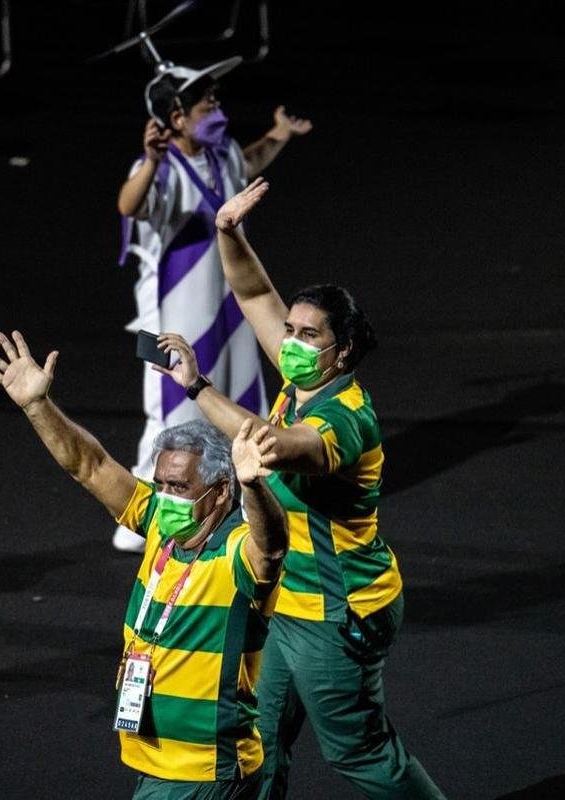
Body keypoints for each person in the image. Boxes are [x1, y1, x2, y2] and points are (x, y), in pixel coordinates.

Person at [149, 179, 447, 798]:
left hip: (337, 613)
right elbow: (253, 290)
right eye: (291, 330)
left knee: (361, 753)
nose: (291, 341)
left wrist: (199, 388)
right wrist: (228, 231)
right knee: (256, 739)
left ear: (341, 354)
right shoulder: (299, 385)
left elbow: (272, 446)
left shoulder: (345, 417)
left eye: (309, 336)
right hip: (285, 603)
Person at [0, 329, 290, 799]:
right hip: (156, 761)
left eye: (179, 488)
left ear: (221, 491)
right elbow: (91, 465)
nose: (164, 498)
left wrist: (255, 487)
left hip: (202, 773)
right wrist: (37, 407)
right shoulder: (163, 531)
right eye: (160, 483)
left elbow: (272, 547)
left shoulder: (237, 554)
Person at [112, 56, 313, 554]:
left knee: (241, 394)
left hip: (230, 300)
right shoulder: (159, 166)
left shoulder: (222, 153)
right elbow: (129, 205)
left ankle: (252, 495)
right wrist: (153, 160)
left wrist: (279, 134)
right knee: (173, 404)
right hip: (179, 303)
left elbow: (250, 161)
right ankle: (146, 509)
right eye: (207, 103)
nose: (216, 108)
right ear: (176, 117)